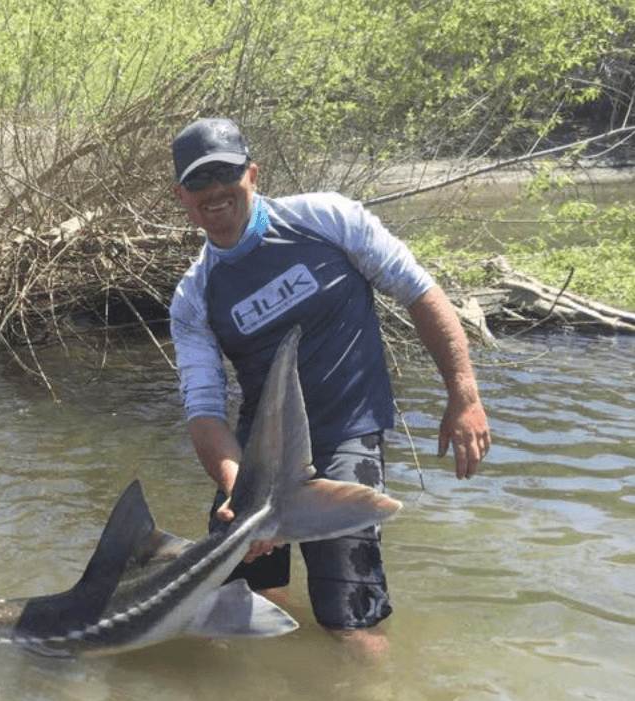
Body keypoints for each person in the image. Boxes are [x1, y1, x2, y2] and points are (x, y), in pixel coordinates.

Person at [167, 117, 492, 660]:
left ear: (252, 174)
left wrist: (464, 397)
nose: (213, 192)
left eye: (225, 174)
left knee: (349, 623)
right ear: (181, 196)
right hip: (259, 456)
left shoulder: (326, 218)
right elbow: (204, 410)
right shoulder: (193, 296)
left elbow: (419, 292)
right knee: (242, 609)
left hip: (348, 429)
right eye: (199, 183)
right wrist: (240, 491)